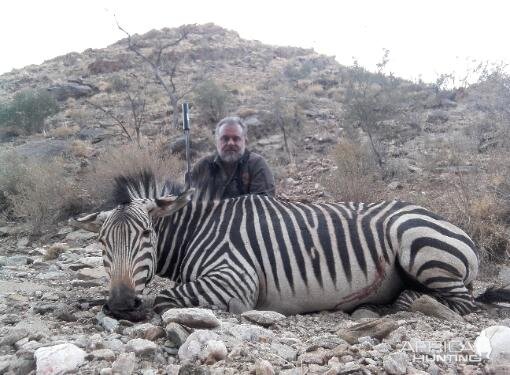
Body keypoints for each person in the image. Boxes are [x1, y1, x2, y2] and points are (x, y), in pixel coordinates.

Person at [191, 116, 275, 200]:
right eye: (225, 138)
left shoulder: (257, 164)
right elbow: (189, 200)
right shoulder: (202, 166)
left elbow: (263, 204)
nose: (230, 143)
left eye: (236, 139)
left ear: (245, 141)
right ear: (217, 141)